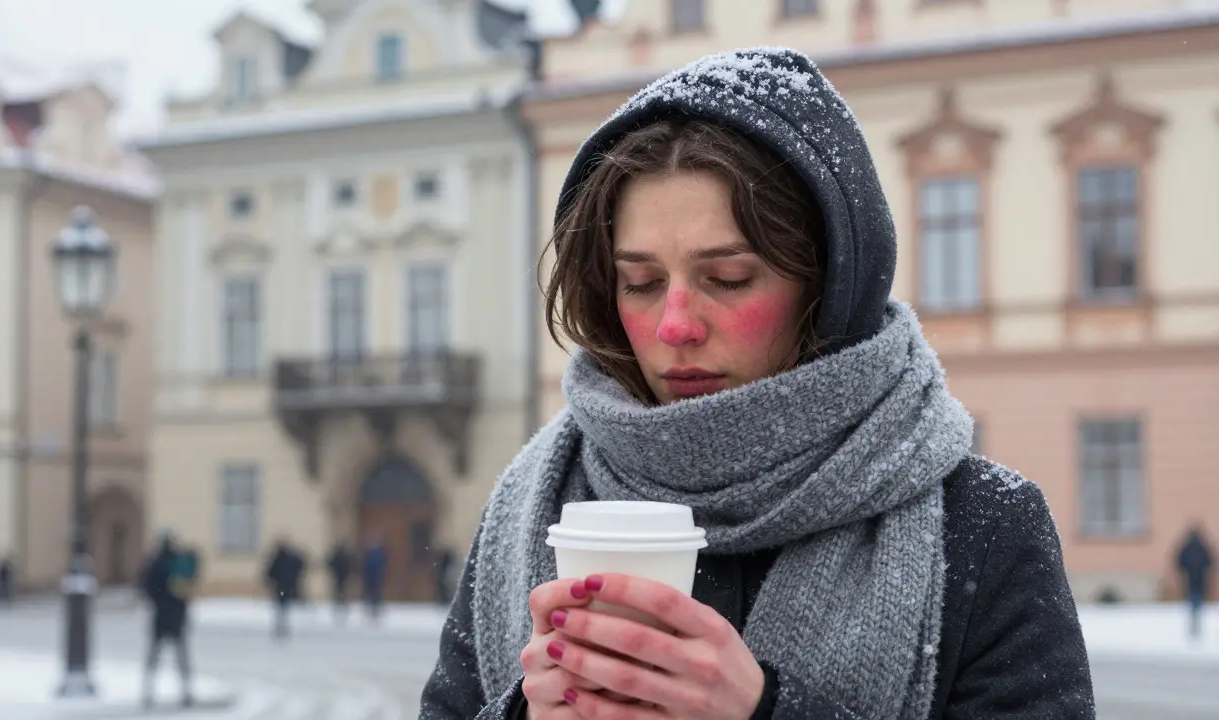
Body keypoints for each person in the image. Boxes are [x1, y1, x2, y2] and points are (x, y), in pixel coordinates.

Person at [418, 48, 1095, 719]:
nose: (675, 324)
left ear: (826, 286)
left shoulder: (982, 525)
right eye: (643, 283)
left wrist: (766, 712)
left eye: (728, 278)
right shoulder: (531, 504)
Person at [141, 532, 194, 709]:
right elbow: (187, 588)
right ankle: (186, 691)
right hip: (177, 616)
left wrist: (159, 599)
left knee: (154, 657)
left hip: (161, 616)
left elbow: (146, 587)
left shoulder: (155, 565)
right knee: (181, 657)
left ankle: (148, 692)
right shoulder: (178, 565)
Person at [1176, 524, 1213, 642]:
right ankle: (1196, 625)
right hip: (1199, 578)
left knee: (1193, 601)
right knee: (1197, 602)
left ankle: (1194, 626)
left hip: (1191, 579)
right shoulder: (1202, 546)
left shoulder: (1187, 547)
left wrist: (1184, 571)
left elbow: (1179, 560)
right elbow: (1210, 561)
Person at [264, 540, 298, 640]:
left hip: (280, 587)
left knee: (281, 608)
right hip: (285, 587)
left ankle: (281, 627)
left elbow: (270, 573)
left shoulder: (277, 560)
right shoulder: (288, 560)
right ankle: (282, 627)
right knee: (283, 608)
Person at [361, 532, 388, 622]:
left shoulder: (378, 553)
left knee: (376, 594)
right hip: (370, 577)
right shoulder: (368, 553)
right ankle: (371, 611)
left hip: (376, 577)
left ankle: (377, 611)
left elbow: (381, 565)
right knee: (370, 593)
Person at [327, 543, 353, 623]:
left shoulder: (341, 556)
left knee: (340, 591)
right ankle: (340, 604)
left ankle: (341, 604)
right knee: (340, 591)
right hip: (340, 576)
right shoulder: (342, 556)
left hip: (340, 576)